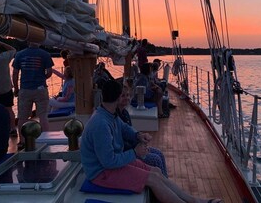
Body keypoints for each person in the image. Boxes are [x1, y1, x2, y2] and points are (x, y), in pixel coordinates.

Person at [81, 80, 221, 203]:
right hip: (101, 173)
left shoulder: (108, 113)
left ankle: (195, 201)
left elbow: (124, 129)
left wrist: (138, 136)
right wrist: (134, 152)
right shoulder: (101, 124)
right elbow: (108, 162)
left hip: (110, 167)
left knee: (156, 171)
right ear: (118, 98)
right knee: (152, 179)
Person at [116, 85, 168, 177]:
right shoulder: (115, 116)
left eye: (128, 95)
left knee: (159, 153)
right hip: (126, 153)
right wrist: (137, 149)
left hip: (134, 147)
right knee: (155, 159)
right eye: (123, 96)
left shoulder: (125, 113)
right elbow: (120, 141)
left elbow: (131, 133)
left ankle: (165, 180)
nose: (126, 98)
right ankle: (160, 184)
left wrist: (142, 143)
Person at [12, 42, 54, 149]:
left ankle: (22, 141)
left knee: (22, 117)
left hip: (25, 89)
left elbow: (15, 73)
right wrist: (42, 78)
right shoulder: (45, 54)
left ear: (28, 42)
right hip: (40, 88)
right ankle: (46, 139)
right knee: (43, 116)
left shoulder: (19, 55)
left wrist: (16, 88)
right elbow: (49, 72)